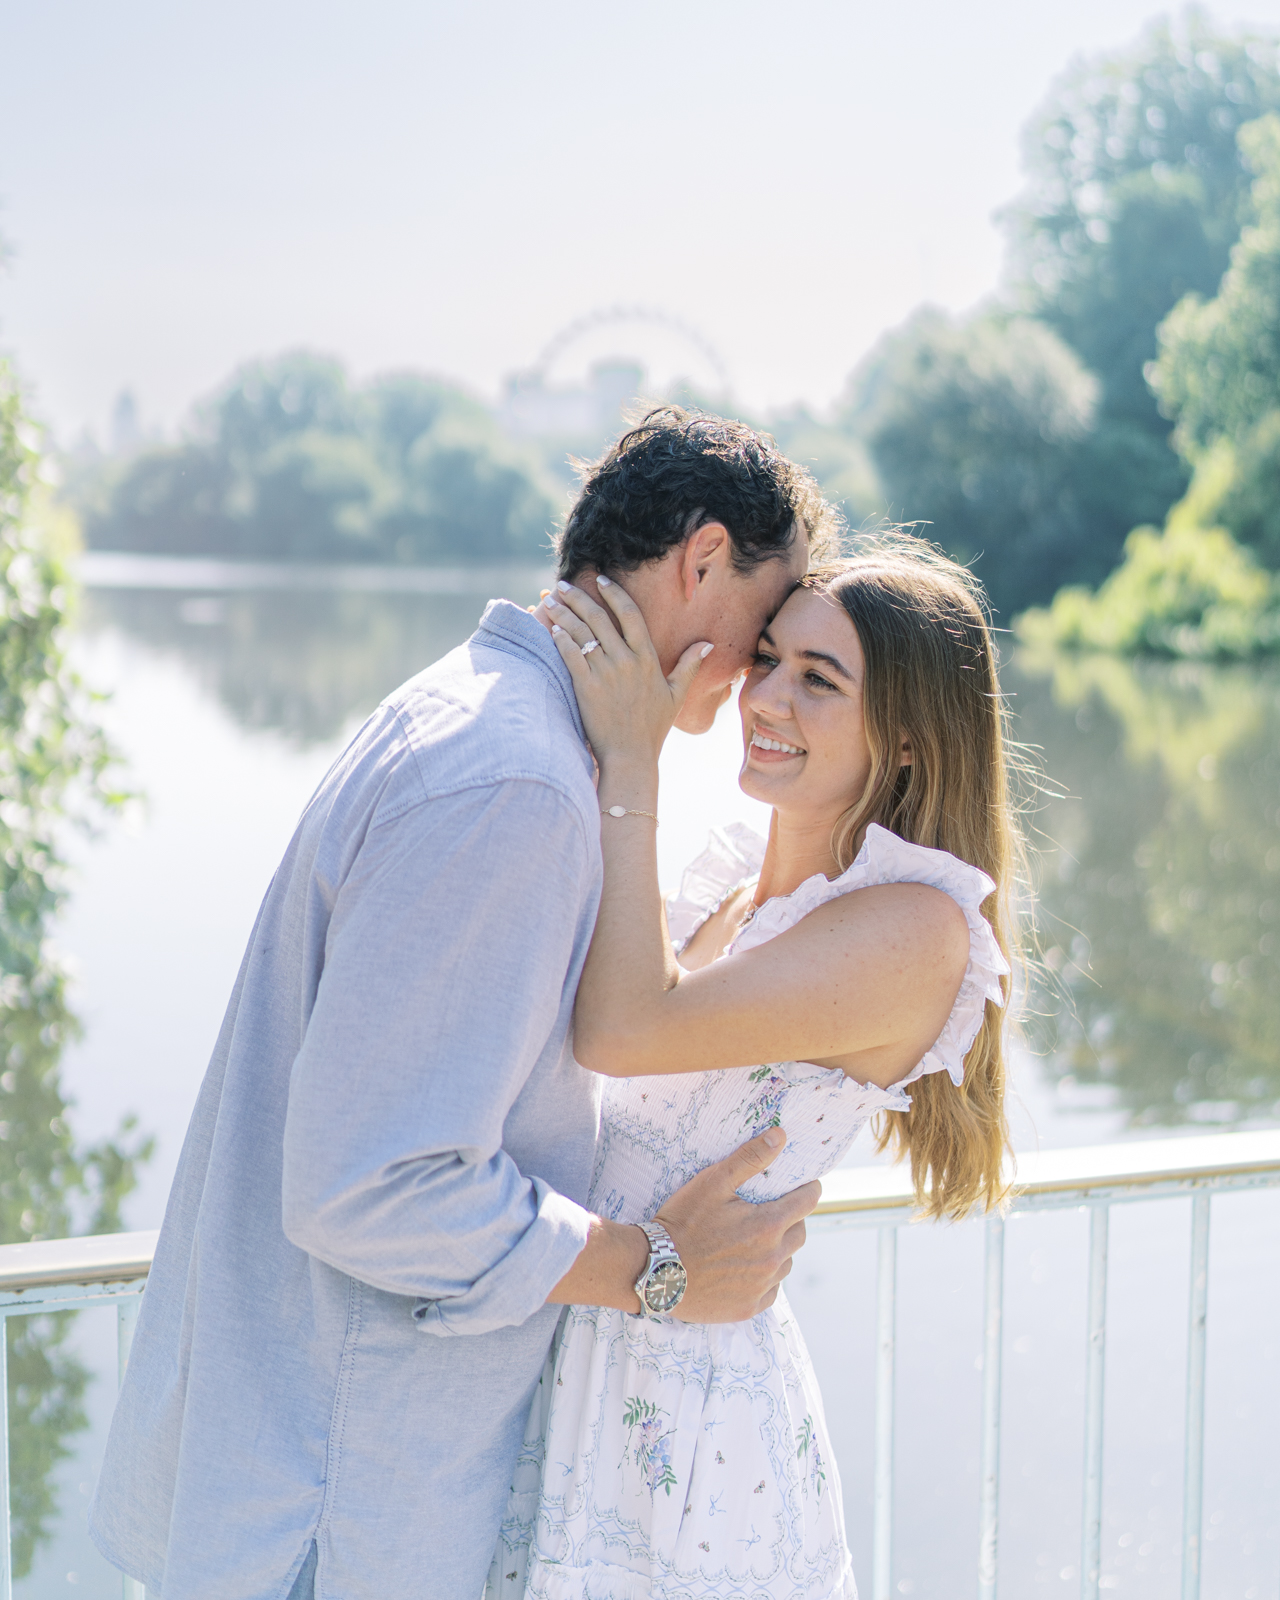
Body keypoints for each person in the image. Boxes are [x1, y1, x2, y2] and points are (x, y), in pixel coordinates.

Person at [88, 410, 839, 1600]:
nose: (758, 669)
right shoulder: (517, 787)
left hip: (310, 1472)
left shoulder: (477, 715)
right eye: (766, 617)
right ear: (700, 561)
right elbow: (371, 1181)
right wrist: (653, 1267)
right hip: (336, 1508)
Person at [487, 533, 1020, 1598]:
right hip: (584, 1347)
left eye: (816, 680)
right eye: (766, 658)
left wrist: (632, 753)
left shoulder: (915, 929)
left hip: (689, 1419)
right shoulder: (726, 888)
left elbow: (622, 1029)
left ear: (907, 738)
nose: (764, 697)